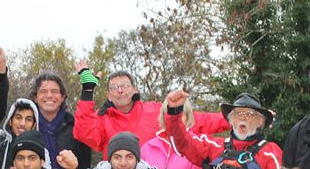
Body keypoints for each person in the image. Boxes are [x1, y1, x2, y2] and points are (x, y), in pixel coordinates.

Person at [73, 61, 229, 159]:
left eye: (125, 86)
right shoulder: (102, 118)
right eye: (114, 87)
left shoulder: (154, 110)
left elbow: (195, 120)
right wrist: (87, 91)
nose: (120, 91)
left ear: (135, 89)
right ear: (109, 94)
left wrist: (233, 117)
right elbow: (83, 133)